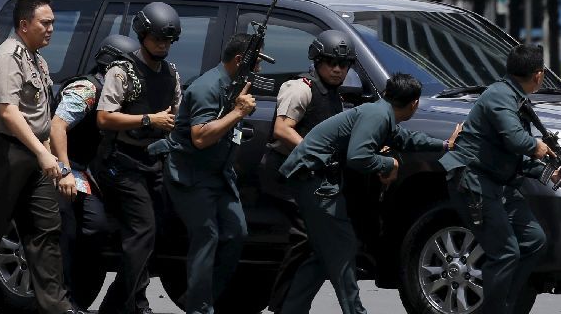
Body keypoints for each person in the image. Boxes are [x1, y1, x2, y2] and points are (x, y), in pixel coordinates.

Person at [279, 74, 460, 314]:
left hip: (314, 179)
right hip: (314, 180)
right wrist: (388, 165)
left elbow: (404, 138)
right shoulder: (377, 115)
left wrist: (445, 145)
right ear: (414, 104)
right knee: (343, 249)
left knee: (322, 254)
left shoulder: (381, 113)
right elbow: (358, 156)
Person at [0, 0, 75, 314]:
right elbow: (8, 112)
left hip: (35, 154)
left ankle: (55, 306)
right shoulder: (7, 56)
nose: (51, 28)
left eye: (53, 23)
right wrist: (42, 154)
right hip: (4, 150)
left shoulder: (38, 59)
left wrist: (54, 161)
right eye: (45, 23)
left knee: (45, 228)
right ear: (24, 25)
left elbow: (41, 119)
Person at [439, 44, 561, 314]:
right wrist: (540, 147)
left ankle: (507, 304)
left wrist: (551, 172)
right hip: (475, 182)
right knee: (505, 252)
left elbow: (514, 157)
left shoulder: (514, 97)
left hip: (499, 184)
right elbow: (516, 139)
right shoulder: (499, 95)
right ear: (538, 74)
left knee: (534, 240)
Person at [158, 34, 258, 314]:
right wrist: (238, 113)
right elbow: (200, 137)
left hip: (219, 174)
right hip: (191, 174)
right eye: (256, 62)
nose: (259, 69)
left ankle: (200, 298)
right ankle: (200, 309)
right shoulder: (207, 87)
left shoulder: (234, 85)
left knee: (236, 233)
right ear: (240, 61)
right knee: (207, 236)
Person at [93, 3, 183, 314]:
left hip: (154, 162)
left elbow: (176, 116)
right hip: (123, 162)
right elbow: (104, 118)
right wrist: (148, 121)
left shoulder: (171, 74)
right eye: (158, 39)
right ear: (143, 35)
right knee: (142, 232)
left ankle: (132, 302)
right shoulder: (122, 71)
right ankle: (121, 306)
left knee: (152, 235)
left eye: (168, 41)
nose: (163, 45)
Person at [260, 30, 353, 312]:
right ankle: (282, 305)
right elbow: (282, 129)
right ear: (316, 60)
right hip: (285, 174)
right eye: (330, 62)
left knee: (317, 239)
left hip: (309, 177)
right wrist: (317, 153)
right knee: (306, 236)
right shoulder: (300, 88)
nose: (337, 69)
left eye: (343, 64)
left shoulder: (334, 95)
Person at [51, 35, 134, 307]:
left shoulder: (120, 94)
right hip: (64, 168)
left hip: (90, 173)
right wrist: (63, 171)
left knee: (96, 229)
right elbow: (57, 127)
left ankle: (79, 300)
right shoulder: (87, 89)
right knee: (68, 233)